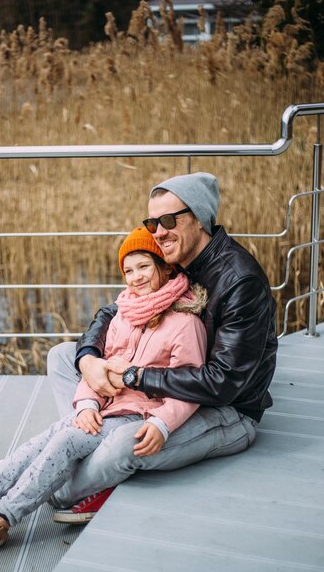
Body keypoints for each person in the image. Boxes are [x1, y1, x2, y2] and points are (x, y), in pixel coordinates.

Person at [0, 226, 207, 559]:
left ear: (166, 267)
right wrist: (85, 404)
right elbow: (99, 367)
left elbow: (189, 387)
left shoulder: (186, 324)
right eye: (128, 270)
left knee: (65, 442)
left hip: (136, 416)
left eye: (144, 266)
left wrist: (161, 423)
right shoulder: (124, 314)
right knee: (42, 441)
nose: (135, 277)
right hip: (107, 407)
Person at [47, 171, 278, 524]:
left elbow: (223, 382)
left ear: (199, 218)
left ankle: (60, 484)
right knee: (64, 355)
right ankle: (86, 432)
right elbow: (115, 310)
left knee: (127, 444)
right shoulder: (174, 260)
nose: (158, 232)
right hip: (160, 393)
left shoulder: (239, 281)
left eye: (168, 220)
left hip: (227, 411)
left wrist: (135, 376)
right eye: (152, 222)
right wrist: (90, 361)